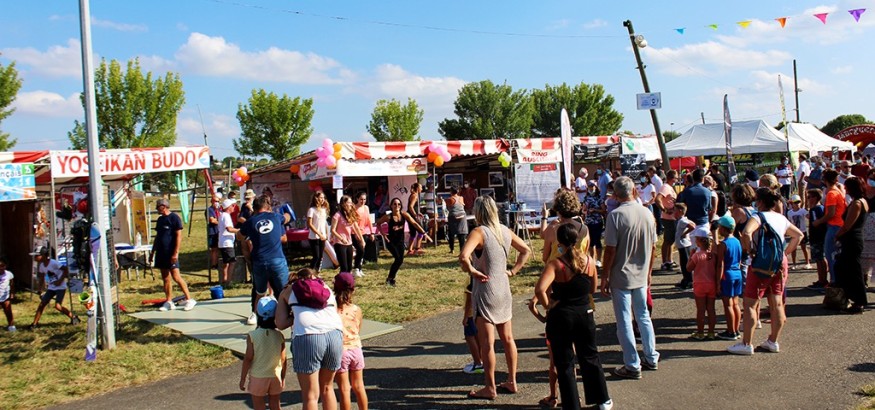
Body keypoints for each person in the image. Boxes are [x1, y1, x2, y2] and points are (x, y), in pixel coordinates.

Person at [459, 195, 531, 399]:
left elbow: (463, 256)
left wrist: (472, 271)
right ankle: (512, 380)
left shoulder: (479, 232)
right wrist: (513, 271)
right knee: (508, 338)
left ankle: (490, 387)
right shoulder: (505, 231)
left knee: (488, 343)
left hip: (485, 290)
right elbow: (525, 250)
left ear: (478, 212)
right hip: (503, 288)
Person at [535, 223, 613, 410]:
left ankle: (571, 404)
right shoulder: (589, 261)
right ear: (577, 240)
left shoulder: (556, 264)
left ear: (559, 242)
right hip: (584, 313)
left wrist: (549, 306)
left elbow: (539, 289)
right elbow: (592, 289)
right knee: (590, 356)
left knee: (565, 363)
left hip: (562, 315)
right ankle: (602, 399)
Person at [728, 188, 803, 355]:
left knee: (750, 303)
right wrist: (785, 253)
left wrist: (750, 250)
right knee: (777, 303)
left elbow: (746, 232)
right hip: (779, 263)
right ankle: (773, 341)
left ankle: (747, 343)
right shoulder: (781, 218)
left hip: (760, 263)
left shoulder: (758, 217)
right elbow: (798, 235)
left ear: (760, 202)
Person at [600, 176, 659, 379]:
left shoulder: (615, 216)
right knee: (643, 316)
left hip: (621, 275)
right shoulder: (647, 213)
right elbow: (653, 247)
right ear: (634, 191)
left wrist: (605, 275)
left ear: (615, 195)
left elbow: (610, 249)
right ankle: (651, 356)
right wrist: (649, 272)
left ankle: (632, 364)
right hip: (641, 273)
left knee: (624, 320)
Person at [275, 268, 344, 410]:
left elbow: (280, 323)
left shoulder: (288, 291)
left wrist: (295, 317)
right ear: (314, 277)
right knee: (327, 388)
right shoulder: (326, 288)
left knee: (311, 395)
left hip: (307, 336)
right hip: (334, 334)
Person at [238, 195, 288, 325]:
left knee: (259, 292)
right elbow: (287, 218)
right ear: (268, 207)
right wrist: (286, 212)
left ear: (254, 209)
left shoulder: (251, 221)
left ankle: (256, 318)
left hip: (259, 260)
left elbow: (239, 235)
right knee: (284, 292)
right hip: (276, 259)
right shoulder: (276, 217)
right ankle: (288, 320)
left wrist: (252, 235)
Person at [239, 296, 286, 410]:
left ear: (257, 314)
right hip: (275, 375)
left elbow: (248, 358)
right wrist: (283, 377)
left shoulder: (253, 336)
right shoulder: (279, 335)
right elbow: (283, 359)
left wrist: (243, 378)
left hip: (258, 376)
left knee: (258, 404)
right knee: (275, 403)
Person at [148, 199, 196, 312]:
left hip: (171, 252)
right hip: (161, 253)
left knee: (176, 276)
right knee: (165, 278)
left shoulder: (174, 218)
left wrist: (175, 253)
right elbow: (158, 237)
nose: (157, 209)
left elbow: (178, 236)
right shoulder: (160, 220)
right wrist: (152, 252)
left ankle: (189, 299)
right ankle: (169, 301)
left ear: (164, 206)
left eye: (158, 206)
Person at [333, 272, 369, 410]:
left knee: (344, 388)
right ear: (353, 289)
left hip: (341, 351)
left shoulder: (332, 310)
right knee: (359, 386)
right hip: (356, 349)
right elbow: (358, 329)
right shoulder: (356, 310)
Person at [376, 198, 431, 286]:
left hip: (400, 241)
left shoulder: (404, 214)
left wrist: (424, 233)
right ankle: (390, 279)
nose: (397, 206)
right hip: (391, 241)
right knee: (398, 259)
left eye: (399, 204)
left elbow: (414, 223)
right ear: (391, 206)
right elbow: (378, 223)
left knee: (400, 260)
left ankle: (390, 279)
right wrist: (384, 235)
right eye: (394, 204)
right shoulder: (388, 217)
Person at [834, 177, 869, 314]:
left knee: (854, 271)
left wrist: (837, 235)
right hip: (854, 239)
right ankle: (852, 298)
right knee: (849, 269)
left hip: (852, 239)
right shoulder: (862, 201)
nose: (845, 189)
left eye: (847, 187)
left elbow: (847, 225)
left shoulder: (857, 204)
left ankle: (859, 302)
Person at [526, 293, 559, 408]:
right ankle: (573, 395)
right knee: (569, 362)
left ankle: (553, 397)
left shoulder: (547, 287)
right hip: (569, 321)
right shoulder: (567, 284)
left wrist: (543, 318)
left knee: (554, 363)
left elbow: (532, 305)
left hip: (552, 326)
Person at [813, 169, 845, 285]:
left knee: (831, 255)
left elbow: (831, 213)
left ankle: (834, 281)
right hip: (839, 225)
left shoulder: (832, 193)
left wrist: (818, 221)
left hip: (834, 226)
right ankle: (836, 280)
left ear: (824, 179)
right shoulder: (837, 190)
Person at [687, 228, 719, 340]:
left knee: (701, 310)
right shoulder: (713, 255)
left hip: (699, 284)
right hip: (711, 283)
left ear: (700, 241)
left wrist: (690, 256)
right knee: (711, 309)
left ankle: (700, 332)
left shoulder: (697, 255)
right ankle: (711, 332)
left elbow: (689, 268)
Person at [715, 215, 743, 340]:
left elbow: (720, 264)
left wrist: (718, 282)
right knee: (736, 303)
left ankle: (730, 331)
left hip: (727, 275)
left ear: (724, 228)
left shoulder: (723, 244)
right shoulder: (737, 241)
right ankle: (736, 329)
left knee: (728, 305)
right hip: (737, 274)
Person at [543, 189, 589, 265]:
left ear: (557, 208)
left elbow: (545, 257)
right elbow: (585, 252)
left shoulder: (553, 229)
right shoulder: (584, 229)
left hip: (557, 269)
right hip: (578, 268)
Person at [331, 195, 365, 274]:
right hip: (339, 243)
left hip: (349, 242)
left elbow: (356, 228)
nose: (351, 204)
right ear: (344, 204)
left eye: (351, 202)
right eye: (349, 202)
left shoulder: (350, 215)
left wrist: (362, 240)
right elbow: (332, 230)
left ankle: (348, 280)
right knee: (344, 267)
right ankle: (341, 280)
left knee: (349, 267)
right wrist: (341, 238)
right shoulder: (337, 215)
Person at [806, 189, 829, 289]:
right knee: (821, 259)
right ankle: (822, 279)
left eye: (809, 197)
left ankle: (822, 280)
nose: (808, 199)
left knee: (819, 260)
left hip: (817, 237)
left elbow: (815, 222)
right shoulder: (822, 208)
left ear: (815, 198)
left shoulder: (815, 209)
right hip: (822, 236)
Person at [655, 170, 678, 271]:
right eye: (676, 178)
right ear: (672, 178)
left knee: (671, 240)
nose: (677, 180)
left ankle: (670, 260)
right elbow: (658, 199)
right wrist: (664, 209)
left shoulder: (670, 187)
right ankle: (664, 261)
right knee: (667, 240)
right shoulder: (665, 187)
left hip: (673, 217)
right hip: (668, 217)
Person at [463, 278, 484, 374]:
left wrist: (466, 316)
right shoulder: (479, 278)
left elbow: (469, 300)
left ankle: (477, 363)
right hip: (479, 312)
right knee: (477, 337)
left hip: (471, 314)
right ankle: (480, 360)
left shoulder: (471, 280)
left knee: (469, 337)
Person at [581, 181, 604, 267]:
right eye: (589, 187)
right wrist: (585, 211)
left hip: (597, 222)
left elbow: (603, 210)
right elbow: (583, 210)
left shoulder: (599, 198)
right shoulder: (586, 198)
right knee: (590, 242)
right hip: (588, 222)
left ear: (596, 187)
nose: (591, 188)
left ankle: (599, 260)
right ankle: (592, 259)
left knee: (597, 240)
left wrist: (595, 210)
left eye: (592, 187)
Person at [674, 204, 696, 290]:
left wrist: (684, 234)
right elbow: (693, 224)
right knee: (683, 263)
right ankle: (685, 279)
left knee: (685, 263)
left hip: (684, 245)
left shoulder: (682, 221)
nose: (674, 212)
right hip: (682, 245)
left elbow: (692, 226)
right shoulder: (683, 220)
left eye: (675, 210)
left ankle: (689, 281)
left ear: (680, 211)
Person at [353, 191, 375, 278]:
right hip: (355, 232)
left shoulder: (366, 208)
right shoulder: (354, 208)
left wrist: (372, 232)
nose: (363, 201)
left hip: (364, 232)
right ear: (357, 199)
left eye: (364, 199)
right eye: (361, 199)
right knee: (360, 250)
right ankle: (356, 268)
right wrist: (356, 234)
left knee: (362, 251)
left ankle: (359, 268)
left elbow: (369, 220)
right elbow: (353, 223)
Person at [306, 191, 329, 271]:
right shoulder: (311, 210)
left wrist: (326, 233)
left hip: (323, 236)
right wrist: (319, 234)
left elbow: (324, 223)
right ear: (316, 198)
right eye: (321, 198)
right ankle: (310, 271)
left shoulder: (324, 210)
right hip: (314, 236)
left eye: (323, 198)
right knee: (316, 256)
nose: (322, 199)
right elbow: (310, 224)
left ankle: (317, 272)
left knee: (321, 256)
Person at [219, 199, 240, 285]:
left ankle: (224, 279)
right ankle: (229, 281)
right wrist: (239, 231)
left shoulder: (222, 215)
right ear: (228, 207)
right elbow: (229, 228)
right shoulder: (226, 216)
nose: (234, 207)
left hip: (223, 242)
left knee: (226, 262)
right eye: (232, 206)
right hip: (227, 242)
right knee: (232, 262)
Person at [786, 195, 811, 269]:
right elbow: (789, 222)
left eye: (798, 202)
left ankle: (807, 263)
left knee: (804, 247)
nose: (797, 204)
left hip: (802, 231)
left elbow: (808, 216)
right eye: (795, 202)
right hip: (794, 232)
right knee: (794, 248)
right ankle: (794, 264)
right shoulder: (789, 213)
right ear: (792, 204)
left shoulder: (803, 211)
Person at [446, 186, 469, 254]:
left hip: (453, 216)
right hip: (462, 216)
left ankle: (452, 249)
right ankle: (462, 250)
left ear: (451, 191)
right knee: (461, 234)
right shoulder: (461, 198)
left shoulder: (450, 199)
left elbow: (448, 208)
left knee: (451, 233)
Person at [406, 183, 426, 255]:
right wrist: (415, 215)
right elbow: (411, 207)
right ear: (417, 188)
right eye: (421, 187)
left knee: (413, 233)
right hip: (412, 216)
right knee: (421, 231)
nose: (422, 189)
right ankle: (417, 248)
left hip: (411, 216)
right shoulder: (414, 195)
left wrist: (418, 212)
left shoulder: (414, 195)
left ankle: (410, 250)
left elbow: (414, 207)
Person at [0, 257, 15, 331]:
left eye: (2, 266)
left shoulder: (9, 274)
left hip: (5, 296)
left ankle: (11, 325)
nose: (1, 268)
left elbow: (12, 284)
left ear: (5, 266)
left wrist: (12, 293)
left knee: (8, 311)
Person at [206, 195, 221, 269]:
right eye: (215, 201)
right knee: (214, 249)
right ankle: (213, 264)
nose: (217, 203)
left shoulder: (219, 210)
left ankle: (217, 263)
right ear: (212, 201)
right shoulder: (209, 210)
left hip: (219, 231)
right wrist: (220, 222)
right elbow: (212, 220)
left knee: (218, 249)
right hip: (212, 232)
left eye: (218, 201)